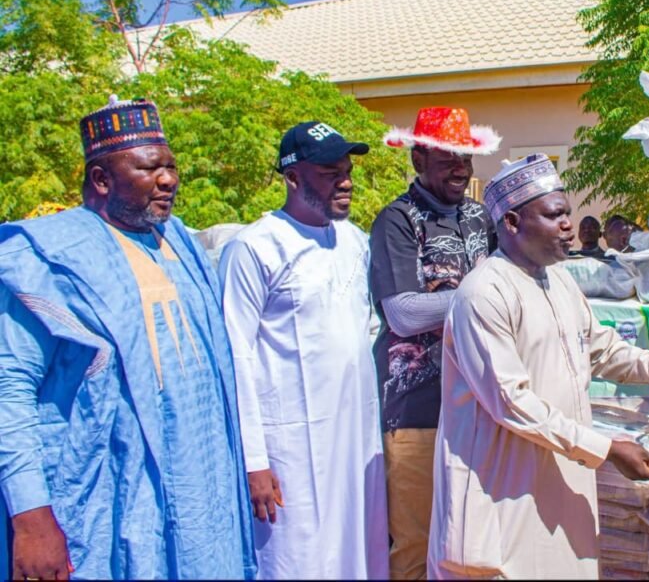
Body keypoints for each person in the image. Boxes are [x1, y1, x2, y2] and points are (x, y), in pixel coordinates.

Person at [427, 154, 649, 579]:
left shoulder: (560, 281)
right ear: (511, 222)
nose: (569, 224)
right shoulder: (484, 293)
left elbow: (605, 351)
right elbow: (511, 403)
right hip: (500, 487)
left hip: (559, 477)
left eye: (567, 213)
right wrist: (607, 449)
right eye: (555, 215)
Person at [0, 97, 255, 580]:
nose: (170, 180)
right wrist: (31, 518)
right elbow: (9, 391)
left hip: (203, 491)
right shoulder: (46, 257)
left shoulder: (178, 240)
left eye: (172, 167)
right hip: (109, 497)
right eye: (150, 169)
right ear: (101, 180)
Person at [219, 122, 388, 580]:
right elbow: (236, 356)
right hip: (290, 445)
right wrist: (255, 460)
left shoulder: (354, 240)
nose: (347, 181)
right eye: (331, 172)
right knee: (299, 560)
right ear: (293, 178)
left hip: (354, 440)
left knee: (359, 554)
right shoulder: (254, 247)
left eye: (348, 170)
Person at [372, 107, 501, 579]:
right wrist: (484, 296)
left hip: (482, 404)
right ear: (419, 159)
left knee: (474, 539)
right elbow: (403, 314)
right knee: (415, 542)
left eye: (466, 157)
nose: (461, 169)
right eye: (448, 158)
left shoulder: (480, 218)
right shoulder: (398, 221)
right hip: (417, 409)